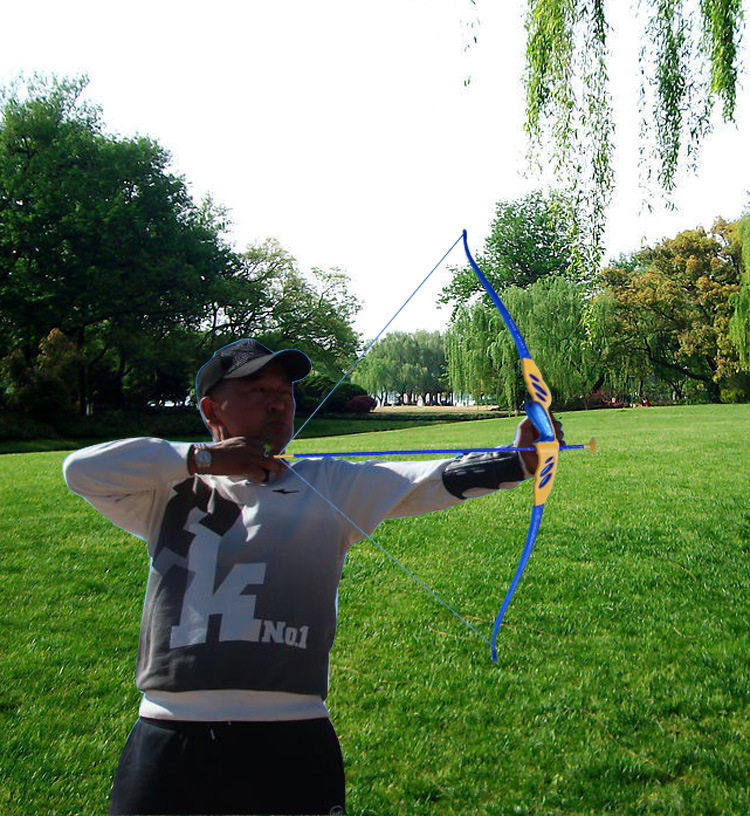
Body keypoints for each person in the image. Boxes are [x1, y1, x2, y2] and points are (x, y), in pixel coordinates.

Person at [62, 337, 563, 816]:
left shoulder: (328, 484)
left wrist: (515, 463)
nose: (279, 404)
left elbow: (426, 480)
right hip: (170, 733)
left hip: (291, 734)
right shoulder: (166, 490)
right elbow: (79, 471)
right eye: (259, 392)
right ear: (212, 409)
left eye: (285, 393)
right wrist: (205, 460)